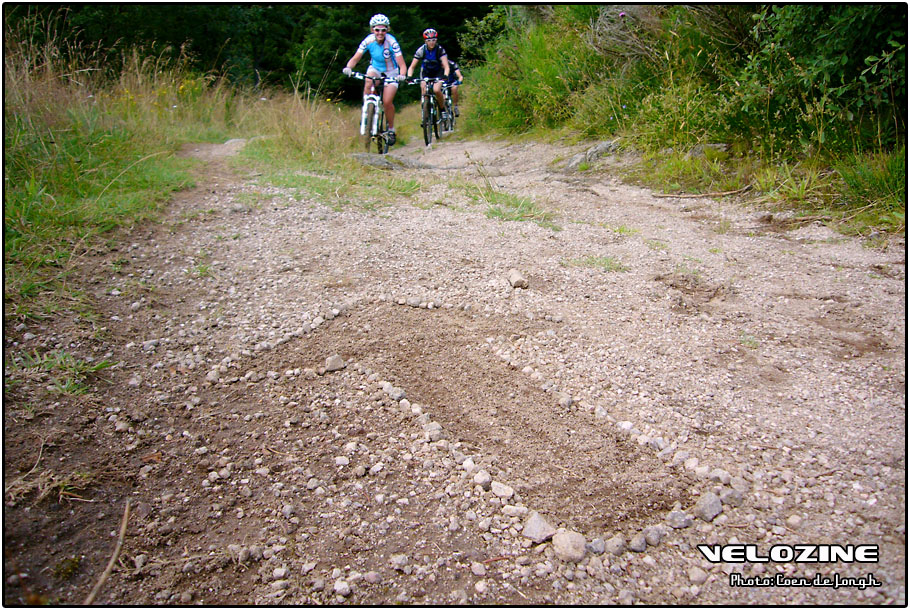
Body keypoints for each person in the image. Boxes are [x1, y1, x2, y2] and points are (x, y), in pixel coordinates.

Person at [342, 14, 407, 145]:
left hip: (391, 72)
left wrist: (402, 74)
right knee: (368, 81)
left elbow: (402, 64)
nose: (380, 33)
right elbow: (356, 58)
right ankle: (367, 111)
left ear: (387, 30)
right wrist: (348, 67)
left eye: (383, 30)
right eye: (377, 30)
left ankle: (391, 129)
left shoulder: (392, 42)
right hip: (375, 69)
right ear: (372, 30)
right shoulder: (368, 40)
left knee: (387, 101)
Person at [406, 28, 450, 121]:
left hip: (438, 72)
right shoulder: (421, 50)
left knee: (436, 90)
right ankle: (425, 113)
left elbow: (446, 66)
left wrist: (445, 75)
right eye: (429, 40)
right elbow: (412, 67)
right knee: (424, 91)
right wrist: (409, 76)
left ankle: (442, 110)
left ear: (436, 40)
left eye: (433, 40)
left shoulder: (440, 50)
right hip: (426, 72)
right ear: (425, 41)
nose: (431, 42)